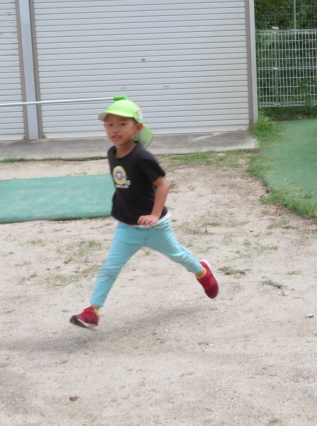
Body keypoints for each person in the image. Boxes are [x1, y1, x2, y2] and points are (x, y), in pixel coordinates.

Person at [70, 99, 218, 329]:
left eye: (122, 124)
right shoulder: (111, 153)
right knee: (110, 268)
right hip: (128, 228)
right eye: (110, 124)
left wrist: (155, 215)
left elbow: (163, 185)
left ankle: (202, 272)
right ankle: (93, 311)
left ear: (137, 127)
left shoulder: (143, 157)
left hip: (156, 227)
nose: (115, 129)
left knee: (179, 255)